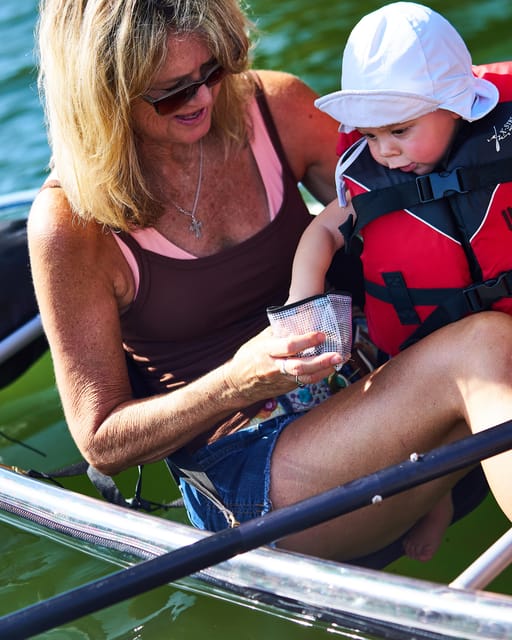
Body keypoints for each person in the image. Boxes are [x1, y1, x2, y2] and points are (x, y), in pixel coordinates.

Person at [29, 0, 512, 569]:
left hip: (379, 386)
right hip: (252, 474)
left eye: (215, 69)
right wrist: (239, 380)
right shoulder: (70, 225)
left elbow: (415, 186)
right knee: (483, 347)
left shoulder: (275, 107)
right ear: (102, 96)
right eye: (173, 92)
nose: (207, 97)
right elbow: (101, 441)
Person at [288, 2, 512, 560]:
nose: (384, 150)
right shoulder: (370, 175)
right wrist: (303, 296)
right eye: (371, 134)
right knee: (451, 418)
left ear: (455, 107)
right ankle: (434, 496)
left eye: (400, 130)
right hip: (426, 359)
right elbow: (322, 235)